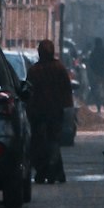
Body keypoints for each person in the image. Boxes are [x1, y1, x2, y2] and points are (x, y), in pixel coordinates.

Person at [26, 40, 74, 184]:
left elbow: (29, 92)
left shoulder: (34, 70)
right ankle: (54, 172)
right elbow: (67, 91)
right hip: (54, 112)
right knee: (53, 142)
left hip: (39, 113)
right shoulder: (59, 68)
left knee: (40, 143)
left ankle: (45, 172)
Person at [86, 37, 104, 114]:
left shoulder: (94, 52)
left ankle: (99, 108)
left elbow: (91, 63)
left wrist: (94, 71)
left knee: (97, 91)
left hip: (96, 74)